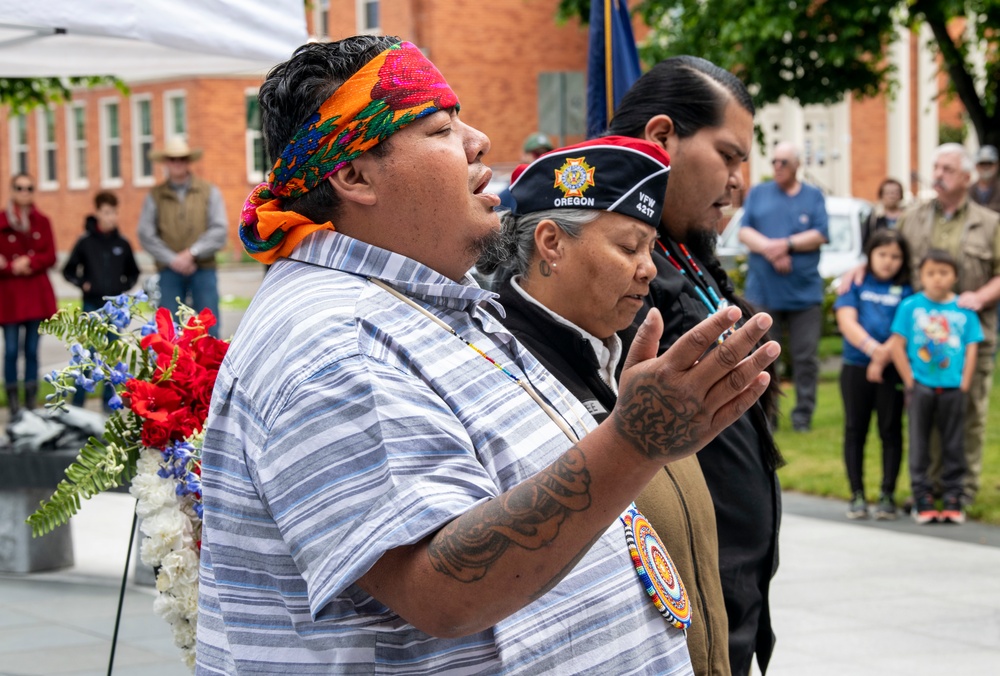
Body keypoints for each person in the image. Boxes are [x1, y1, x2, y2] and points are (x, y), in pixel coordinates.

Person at [197, 36, 779, 674]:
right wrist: (635, 441)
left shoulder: (418, 304)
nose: (478, 141)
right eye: (441, 127)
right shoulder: (334, 343)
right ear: (352, 174)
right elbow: (441, 590)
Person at [480, 136, 731, 675]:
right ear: (551, 243)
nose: (649, 269)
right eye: (628, 247)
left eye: (650, 249)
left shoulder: (629, 354)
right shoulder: (500, 370)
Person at [608, 56, 783, 675]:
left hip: (731, 589)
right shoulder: (605, 254)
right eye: (730, 155)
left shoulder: (685, 246)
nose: (741, 180)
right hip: (669, 599)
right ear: (662, 137)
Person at [895, 143, 1000, 505]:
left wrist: (981, 296)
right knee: (925, 417)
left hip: (970, 340)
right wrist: (860, 273)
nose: (938, 174)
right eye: (936, 167)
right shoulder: (913, 218)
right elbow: (889, 257)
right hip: (922, 343)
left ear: (968, 177)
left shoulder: (990, 223)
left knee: (968, 413)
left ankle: (963, 488)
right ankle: (929, 485)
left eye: (948, 169)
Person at [738, 141, 829, 432]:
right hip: (764, 293)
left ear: (797, 165)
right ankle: (769, 416)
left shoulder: (813, 196)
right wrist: (770, 249)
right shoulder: (759, 193)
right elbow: (744, 231)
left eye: (783, 162)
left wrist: (786, 244)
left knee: (805, 358)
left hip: (804, 295)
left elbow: (820, 234)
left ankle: (803, 416)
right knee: (764, 356)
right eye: (774, 161)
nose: (777, 167)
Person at [889, 249, 983, 524]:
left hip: (953, 388)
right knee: (919, 443)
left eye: (944, 273)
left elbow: (972, 347)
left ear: (954, 276)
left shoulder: (964, 311)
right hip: (921, 387)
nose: (937, 279)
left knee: (954, 443)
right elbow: (897, 345)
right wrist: (910, 381)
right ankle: (922, 496)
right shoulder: (910, 307)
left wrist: (965, 382)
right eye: (931, 273)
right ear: (921, 276)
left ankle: (954, 496)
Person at [833, 229, 913, 520]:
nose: (888, 261)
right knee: (856, 429)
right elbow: (846, 320)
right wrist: (872, 350)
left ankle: (887, 495)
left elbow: (904, 328)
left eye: (895, 256)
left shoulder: (907, 289)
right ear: (870, 254)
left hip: (893, 370)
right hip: (855, 366)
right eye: (882, 254)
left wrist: (883, 358)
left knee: (890, 430)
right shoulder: (855, 282)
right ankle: (857, 495)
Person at [137, 137, 226, 337]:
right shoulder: (155, 195)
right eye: (172, 159)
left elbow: (219, 230)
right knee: (169, 332)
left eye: (182, 159)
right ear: (166, 162)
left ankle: (212, 369)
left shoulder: (209, 191)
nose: (177, 163)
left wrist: (192, 253)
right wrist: (174, 259)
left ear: (188, 161)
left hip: (203, 269)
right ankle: (173, 369)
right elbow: (146, 234)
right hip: (169, 272)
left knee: (209, 330)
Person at [62, 191, 140, 410]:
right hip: (92, 305)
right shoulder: (85, 242)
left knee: (112, 354)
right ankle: (77, 404)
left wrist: (123, 287)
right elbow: (68, 270)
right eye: (106, 212)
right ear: (97, 213)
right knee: (87, 353)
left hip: (115, 308)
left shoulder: (122, 244)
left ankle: (109, 402)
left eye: (114, 213)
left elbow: (133, 271)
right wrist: (83, 283)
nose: (110, 217)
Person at [0, 173, 57, 417]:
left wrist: (29, 261)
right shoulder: (2, 221)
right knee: (11, 349)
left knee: (32, 349)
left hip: (35, 295)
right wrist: (11, 267)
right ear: (12, 190)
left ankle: (30, 401)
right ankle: (13, 402)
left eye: (29, 188)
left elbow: (51, 255)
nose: (25, 192)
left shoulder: (42, 221)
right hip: (10, 296)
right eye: (20, 188)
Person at [496, 131, 555, 211]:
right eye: (537, 154)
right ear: (524, 155)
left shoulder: (557, 190)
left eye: (547, 154)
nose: (542, 158)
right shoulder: (510, 193)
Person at [863, 177, 905, 244]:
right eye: (888, 193)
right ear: (881, 195)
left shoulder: (908, 216)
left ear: (901, 195)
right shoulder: (874, 218)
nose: (892, 196)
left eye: (895, 192)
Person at [969, 145, 1000, 214]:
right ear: (976, 166)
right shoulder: (968, 191)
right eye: (982, 163)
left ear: (997, 165)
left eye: (989, 163)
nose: (986, 167)